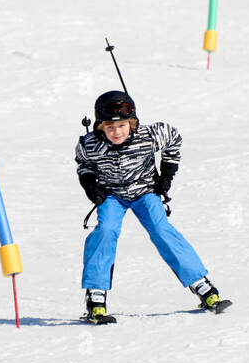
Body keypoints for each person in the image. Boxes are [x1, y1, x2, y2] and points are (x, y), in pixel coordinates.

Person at [75, 90, 230, 323]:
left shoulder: (149, 135)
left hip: (145, 192)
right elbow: (83, 163)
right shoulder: (90, 144)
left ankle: (202, 286)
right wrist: (89, 185)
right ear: (100, 127)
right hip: (112, 195)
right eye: (109, 128)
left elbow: (174, 138)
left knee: (161, 229)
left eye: (122, 126)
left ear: (132, 123)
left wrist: (166, 175)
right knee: (105, 231)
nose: (116, 132)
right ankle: (96, 297)